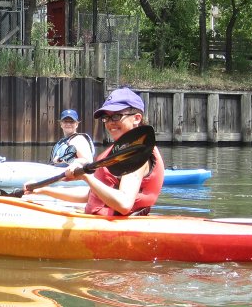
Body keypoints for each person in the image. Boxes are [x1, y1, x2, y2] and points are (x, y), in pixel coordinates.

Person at [26, 88, 164, 216]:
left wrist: (87, 177)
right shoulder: (120, 150)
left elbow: (124, 204)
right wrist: (43, 191)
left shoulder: (137, 154)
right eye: (106, 118)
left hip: (115, 231)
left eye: (116, 116)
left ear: (137, 118)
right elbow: (91, 195)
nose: (110, 123)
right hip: (99, 221)